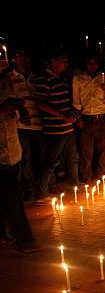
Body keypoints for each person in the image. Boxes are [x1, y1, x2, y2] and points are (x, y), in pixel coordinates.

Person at [0, 65, 38, 252]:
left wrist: (22, 112)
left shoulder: (7, 82)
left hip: (13, 148)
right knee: (13, 196)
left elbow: (15, 106)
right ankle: (24, 239)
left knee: (7, 195)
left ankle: (4, 234)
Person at [34, 50, 79, 200]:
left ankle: (75, 183)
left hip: (68, 127)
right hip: (55, 130)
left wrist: (72, 115)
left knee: (73, 157)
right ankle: (42, 192)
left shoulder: (62, 79)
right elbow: (40, 104)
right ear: (53, 61)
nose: (66, 64)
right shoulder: (44, 79)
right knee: (52, 161)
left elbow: (66, 102)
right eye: (63, 61)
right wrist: (61, 115)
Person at [6, 50, 44, 201]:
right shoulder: (9, 78)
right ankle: (29, 189)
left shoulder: (36, 78)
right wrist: (20, 114)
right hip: (22, 125)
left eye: (25, 55)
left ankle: (42, 186)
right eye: (19, 55)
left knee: (41, 157)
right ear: (14, 58)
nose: (23, 58)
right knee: (25, 158)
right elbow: (9, 100)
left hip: (39, 124)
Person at [72, 53, 105, 182]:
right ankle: (86, 176)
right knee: (86, 150)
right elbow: (76, 101)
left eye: (94, 63)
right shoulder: (78, 78)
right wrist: (78, 118)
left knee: (104, 148)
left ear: (98, 64)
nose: (92, 66)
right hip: (86, 118)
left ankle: (103, 175)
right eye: (89, 63)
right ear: (86, 64)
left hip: (103, 116)